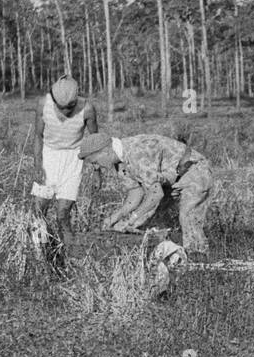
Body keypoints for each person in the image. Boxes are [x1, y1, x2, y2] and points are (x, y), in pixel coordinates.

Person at [78, 131, 213, 256]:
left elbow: (156, 194)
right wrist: (114, 218)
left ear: (106, 151)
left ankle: (198, 261)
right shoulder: (119, 163)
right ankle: (167, 256)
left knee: (188, 217)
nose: (96, 167)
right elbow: (135, 192)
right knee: (151, 222)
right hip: (170, 180)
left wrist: (133, 217)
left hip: (193, 170)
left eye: (95, 162)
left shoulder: (136, 153)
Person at [30, 76, 98, 255]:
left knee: (63, 214)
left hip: (73, 161)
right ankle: (41, 255)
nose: (65, 111)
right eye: (61, 107)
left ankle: (69, 256)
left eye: (69, 107)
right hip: (49, 157)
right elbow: (38, 136)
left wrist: (97, 171)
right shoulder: (43, 104)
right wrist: (38, 165)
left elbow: (94, 140)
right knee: (39, 211)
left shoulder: (87, 109)